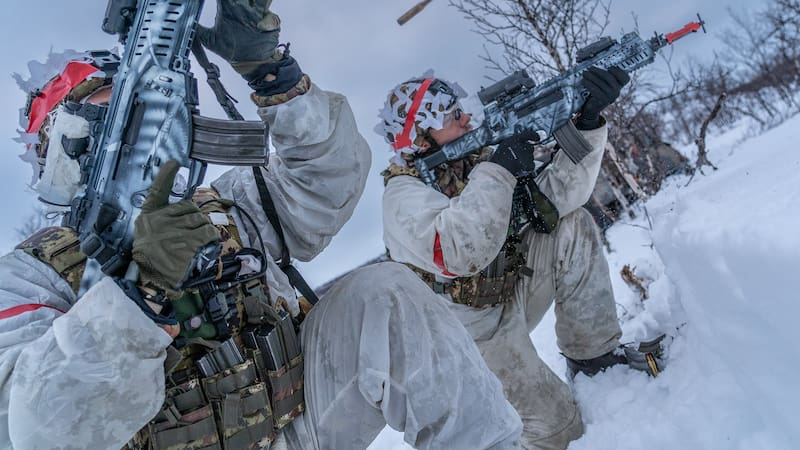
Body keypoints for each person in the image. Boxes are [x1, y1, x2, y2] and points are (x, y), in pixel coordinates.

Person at [0, 2, 524, 449]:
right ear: (60, 152)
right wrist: (140, 294)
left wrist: (273, 74)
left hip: (294, 425)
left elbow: (327, 183)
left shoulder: (216, 211)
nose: (142, 141)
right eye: (109, 123)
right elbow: (39, 431)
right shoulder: (28, 278)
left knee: (383, 293)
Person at [376, 68, 663, 449]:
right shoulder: (402, 197)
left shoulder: (473, 163)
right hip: (469, 339)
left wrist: (587, 122)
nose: (466, 117)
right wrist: (500, 169)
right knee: (560, 431)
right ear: (420, 136)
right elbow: (462, 251)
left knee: (571, 225)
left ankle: (593, 360)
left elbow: (558, 198)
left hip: (511, 291)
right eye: (452, 115)